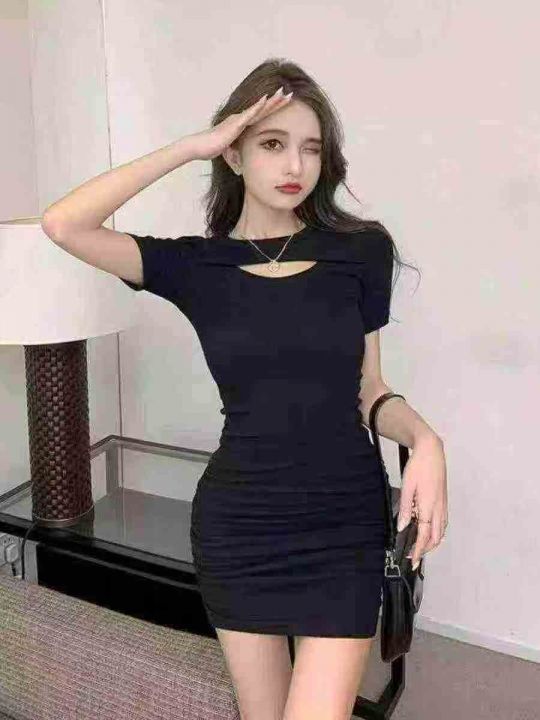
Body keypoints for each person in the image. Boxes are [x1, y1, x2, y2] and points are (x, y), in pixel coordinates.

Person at [41, 58, 448, 720]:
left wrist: (425, 440)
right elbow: (64, 224)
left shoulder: (361, 251)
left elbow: (368, 389)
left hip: (342, 524)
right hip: (241, 530)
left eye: (311, 147)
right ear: (234, 153)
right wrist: (193, 146)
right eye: (272, 143)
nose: (296, 165)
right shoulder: (197, 266)